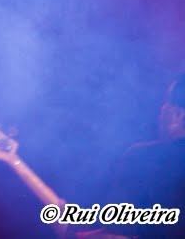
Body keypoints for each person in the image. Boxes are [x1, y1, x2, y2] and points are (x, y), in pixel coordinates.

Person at [77, 73, 185, 239]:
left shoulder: (143, 159)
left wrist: (74, 233)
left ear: (178, 115)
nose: (160, 112)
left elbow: (117, 233)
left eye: (165, 105)